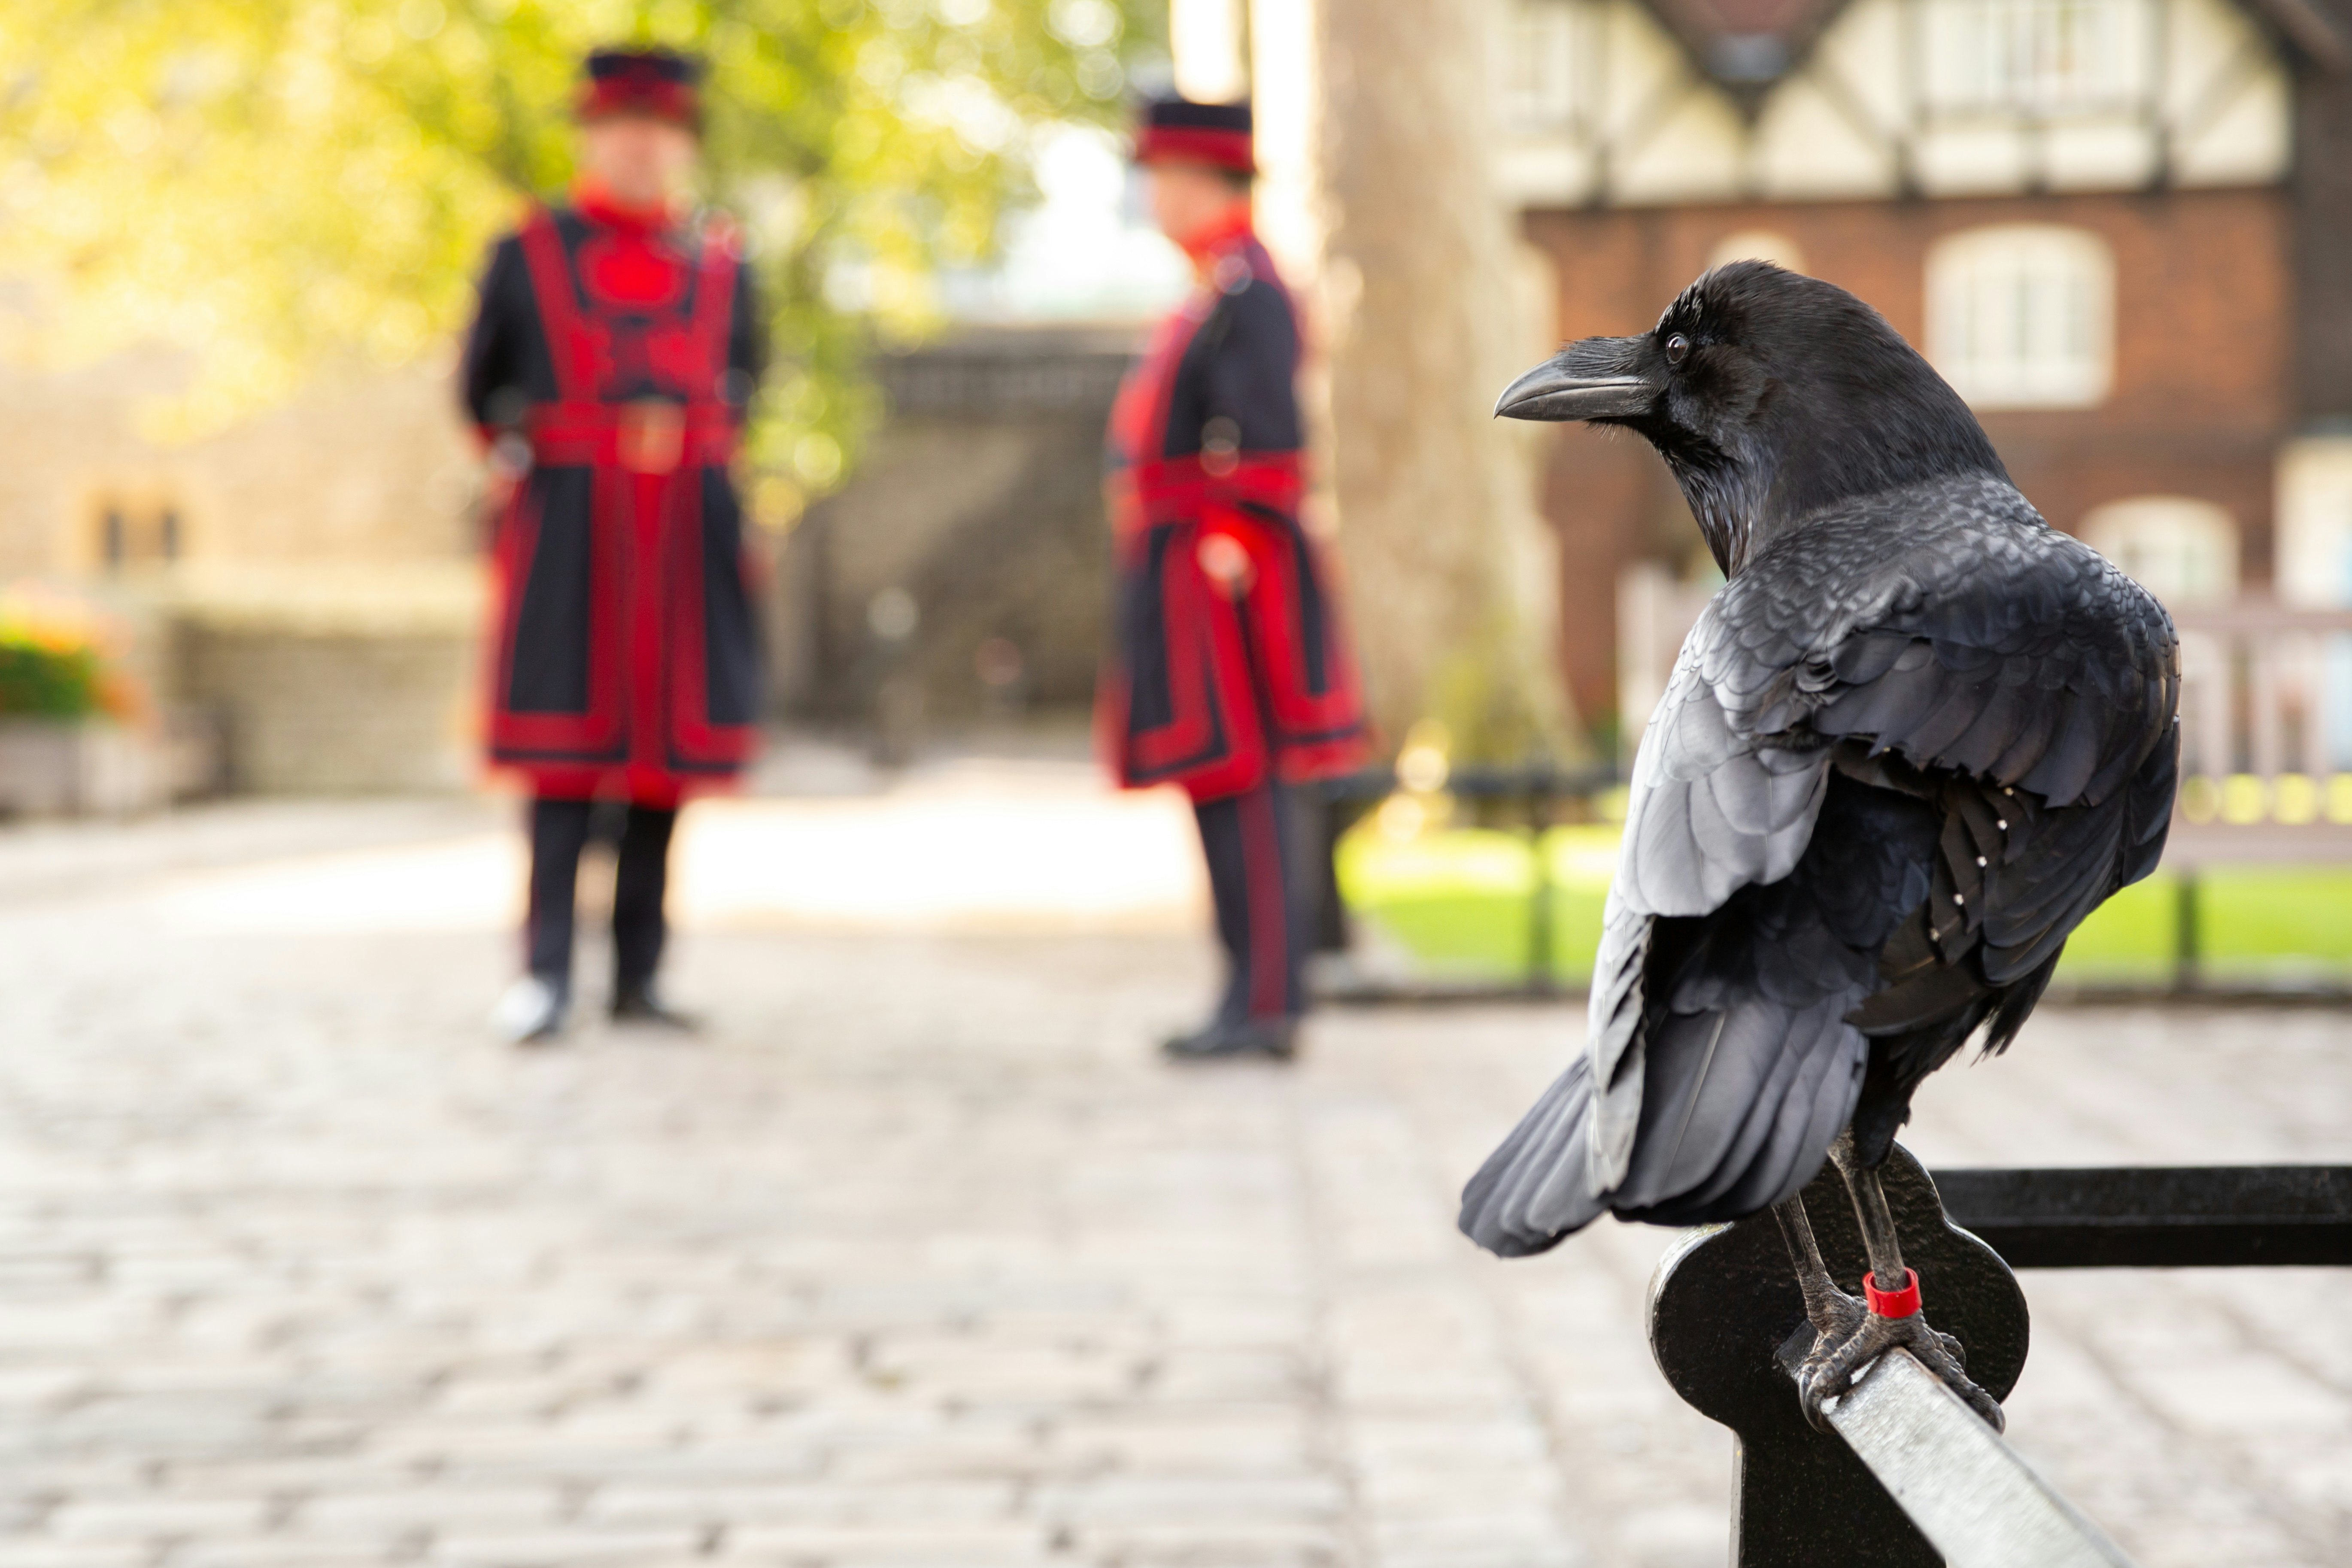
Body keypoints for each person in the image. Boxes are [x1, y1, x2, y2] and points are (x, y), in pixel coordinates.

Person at [461, 47, 765, 1044]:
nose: (640, 148)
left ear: (681, 143)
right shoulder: (529, 251)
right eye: (621, 129)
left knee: (660, 766)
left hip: (682, 539)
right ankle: (544, 973)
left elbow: (748, 385)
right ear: (591, 138)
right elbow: (480, 391)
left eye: (659, 131)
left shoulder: (724, 262)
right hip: (573, 539)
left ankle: (640, 974)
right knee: (561, 762)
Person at [1100, 96, 1369, 1062]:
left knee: (1243, 779)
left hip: (1225, 575)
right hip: (1193, 567)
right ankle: (1247, 992)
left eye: (1164, 177)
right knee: (1219, 782)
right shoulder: (1215, 285)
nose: (1154, 196)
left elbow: (1262, 443)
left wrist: (1222, 540)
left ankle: (1263, 1003)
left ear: (1199, 179)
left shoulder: (1246, 289)